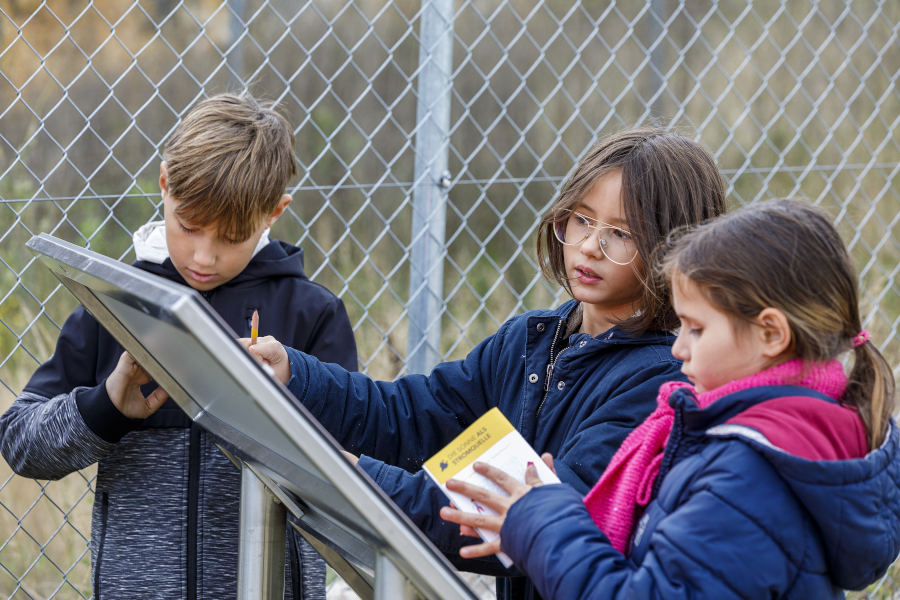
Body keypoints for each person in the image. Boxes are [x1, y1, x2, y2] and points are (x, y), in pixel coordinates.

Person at [245, 127, 727, 599]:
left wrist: (351, 478)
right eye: (581, 219)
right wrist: (294, 374)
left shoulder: (663, 383)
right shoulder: (529, 340)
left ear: (673, 250)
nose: (587, 246)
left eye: (619, 233)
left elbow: (512, 526)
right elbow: (412, 417)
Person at [441, 199, 900, 599]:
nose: (679, 348)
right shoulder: (784, 439)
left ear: (771, 333)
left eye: (697, 329)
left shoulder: (747, 478)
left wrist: (543, 521)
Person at [0, 93, 358, 599]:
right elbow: (20, 440)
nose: (204, 256)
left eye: (233, 236)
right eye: (188, 226)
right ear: (165, 185)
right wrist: (106, 409)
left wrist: (280, 417)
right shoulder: (114, 306)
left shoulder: (312, 315)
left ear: (275, 211)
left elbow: (348, 484)